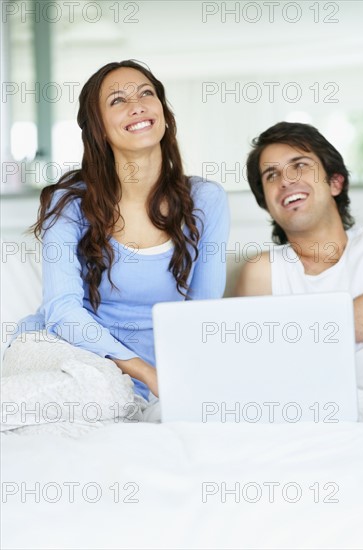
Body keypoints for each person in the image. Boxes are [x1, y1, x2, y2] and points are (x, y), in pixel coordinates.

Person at [4, 60, 229, 411]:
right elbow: (62, 311)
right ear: (99, 130)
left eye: (146, 93)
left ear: (164, 114)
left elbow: (203, 311)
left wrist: (181, 376)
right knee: (101, 390)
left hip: (150, 373)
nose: (136, 104)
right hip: (66, 352)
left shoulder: (206, 200)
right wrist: (146, 373)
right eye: (117, 100)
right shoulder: (69, 203)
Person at [235, 121, 363, 423]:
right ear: (267, 204)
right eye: (271, 175)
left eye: (300, 165)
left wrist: (292, 332)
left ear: (335, 182)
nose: (286, 180)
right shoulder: (262, 271)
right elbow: (260, 363)